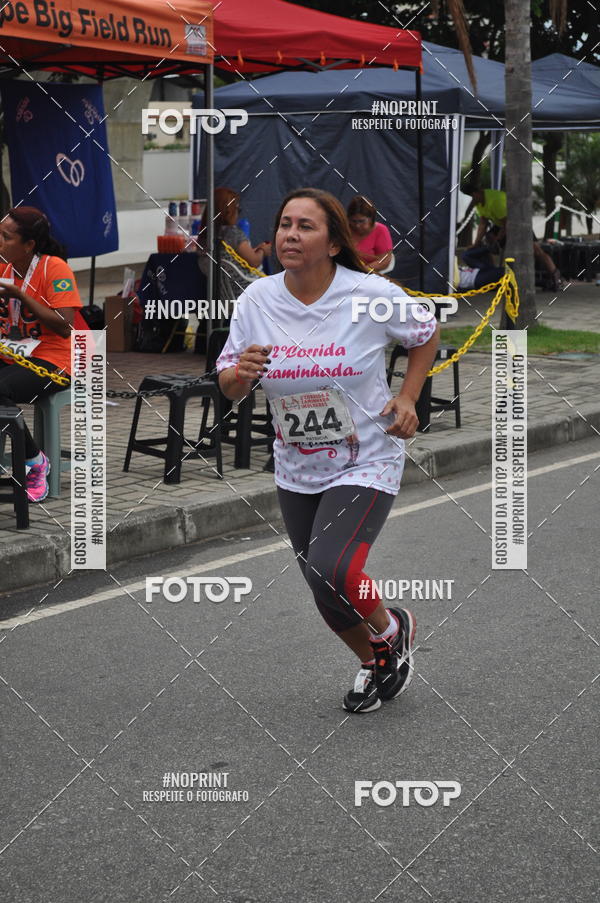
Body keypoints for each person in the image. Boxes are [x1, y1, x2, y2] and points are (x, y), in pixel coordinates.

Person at [217, 188, 440, 713]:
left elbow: (425, 333)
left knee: (332, 566)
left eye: (306, 226)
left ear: (335, 242)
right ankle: (376, 660)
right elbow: (228, 381)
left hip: (368, 454)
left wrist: (408, 397)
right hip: (297, 463)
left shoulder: (369, 293)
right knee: (322, 586)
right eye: (285, 224)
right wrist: (240, 374)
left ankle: (391, 629)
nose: (291, 235)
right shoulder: (256, 299)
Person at [0, 206, 82, 502]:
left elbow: (65, 326)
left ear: (29, 245)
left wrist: (22, 296)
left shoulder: (54, 268)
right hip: (15, 354)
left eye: (6, 237)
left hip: (55, 360)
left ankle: (35, 462)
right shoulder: (4, 267)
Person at [461, 182, 563, 290]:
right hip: (502, 224)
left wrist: (498, 239)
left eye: (471, 198)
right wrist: (476, 243)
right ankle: (492, 274)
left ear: (476, 193)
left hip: (519, 222)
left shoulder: (495, 201)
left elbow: (507, 223)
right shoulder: (479, 202)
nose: (470, 202)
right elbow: (483, 223)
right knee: (488, 237)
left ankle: (556, 277)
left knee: (536, 251)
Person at [347, 195, 393, 272]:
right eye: (353, 221)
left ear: (371, 218)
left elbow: (384, 261)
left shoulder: (381, 230)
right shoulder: (344, 228)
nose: (357, 225)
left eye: (361, 221)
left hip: (368, 273)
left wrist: (364, 269)